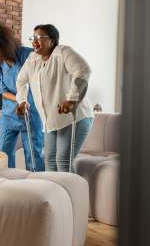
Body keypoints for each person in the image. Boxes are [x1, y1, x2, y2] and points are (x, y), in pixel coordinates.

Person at [16, 24, 94, 172]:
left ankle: (73, 194)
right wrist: (22, 101)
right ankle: (55, 194)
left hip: (75, 117)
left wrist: (72, 99)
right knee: (50, 161)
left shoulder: (63, 52)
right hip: (51, 121)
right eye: (33, 38)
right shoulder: (33, 59)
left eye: (39, 37)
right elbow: (21, 80)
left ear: (52, 40)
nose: (34, 41)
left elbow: (83, 70)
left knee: (63, 161)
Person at [0, 22, 44, 171]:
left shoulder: (28, 55)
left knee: (33, 153)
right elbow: (3, 92)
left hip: (31, 112)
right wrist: (19, 99)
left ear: (4, 42)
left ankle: (37, 185)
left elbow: (39, 84)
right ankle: (7, 184)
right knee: (3, 153)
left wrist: (24, 100)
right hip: (9, 112)